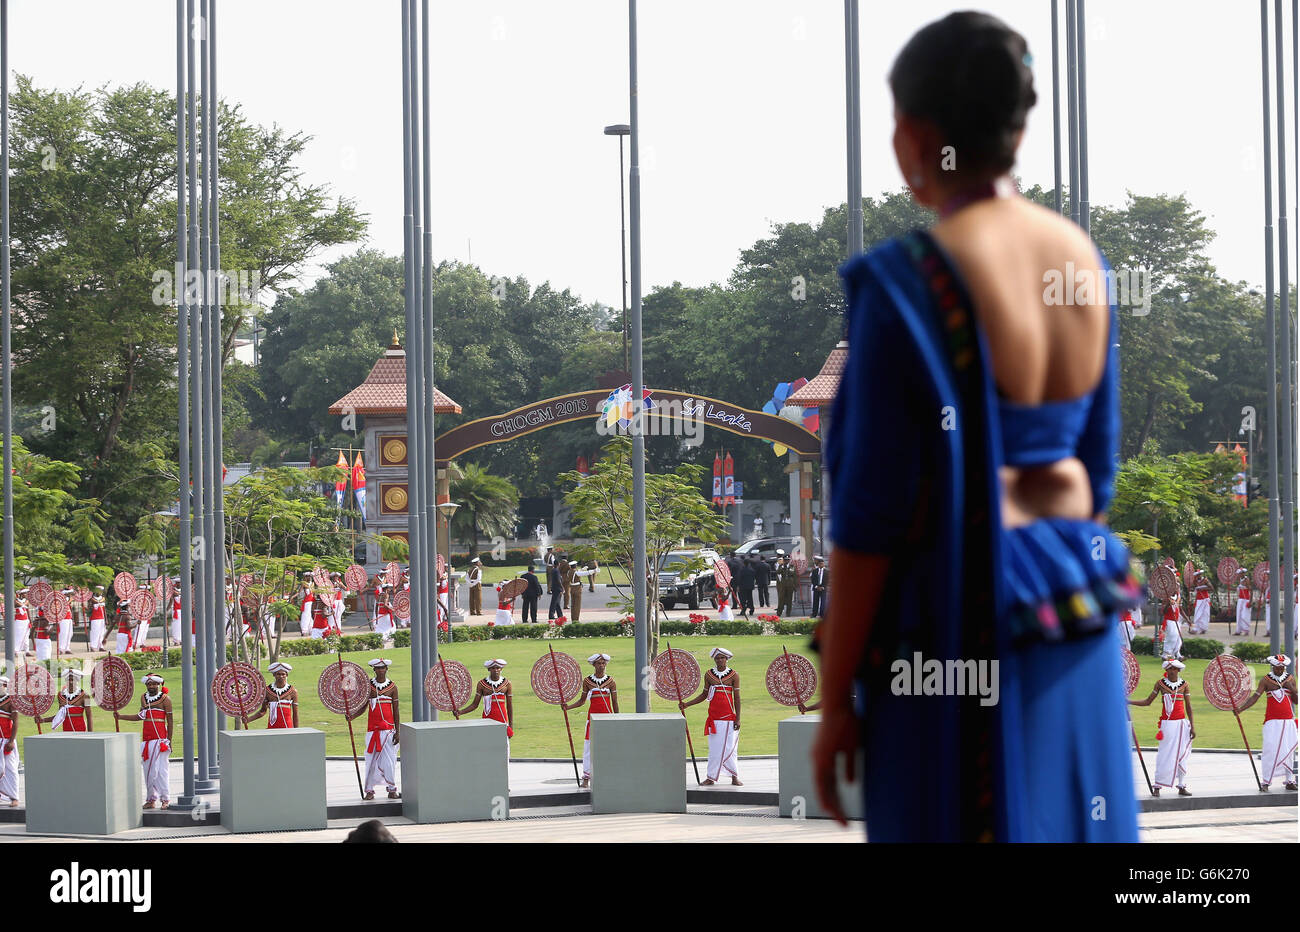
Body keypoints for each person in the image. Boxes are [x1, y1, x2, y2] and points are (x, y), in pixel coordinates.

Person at [813, 11, 1141, 842]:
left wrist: (837, 702)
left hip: (952, 630)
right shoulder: (1082, 262)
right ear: (1019, 124)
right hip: (1074, 613)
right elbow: (1092, 478)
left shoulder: (906, 283)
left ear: (916, 136)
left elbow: (869, 520)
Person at [1129, 659, 1195, 797]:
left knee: (1182, 755)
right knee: (1164, 755)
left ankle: (1181, 785)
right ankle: (1157, 786)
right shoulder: (1160, 684)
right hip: (1167, 725)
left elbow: (1189, 707)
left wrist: (1192, 726)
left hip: (1182, 725)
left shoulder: (1185, 685)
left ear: (1178, 670)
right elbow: (1147, 702)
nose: (1171, 671)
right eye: (1169, 669)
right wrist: (1129, 701)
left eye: (1174, 669)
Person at [679, 647, 742, 785]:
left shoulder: (734, 675)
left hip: (729, 718)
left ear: (727, 659)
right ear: (714, 659)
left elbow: (737, 698)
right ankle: (711, 777)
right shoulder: (709, 674)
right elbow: (704, 695)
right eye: (717, 658)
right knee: (714, 749)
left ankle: (734, 776)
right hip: (714, 718)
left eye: (722, 658)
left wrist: (738, 718)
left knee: (730, 748)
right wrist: (687, 704)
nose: (720, 660)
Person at [1238, 654, 1298, 791]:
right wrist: (1240, 709)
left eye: (1282, 668)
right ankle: (1266, 782)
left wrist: (1292, 688)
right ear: (1273, 666)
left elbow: (1296, 700)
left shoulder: (1290, 679)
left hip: (1288, 721)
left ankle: (1289, 781)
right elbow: (1255, 697)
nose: (1280, 670)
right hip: (1272, 721)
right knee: (1270, 750)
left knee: (1289, 751)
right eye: (1278, 668)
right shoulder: (1266, 680)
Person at [560, 653, 618, 787]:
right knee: (588, 748)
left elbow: (615, 702)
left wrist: (617, 718)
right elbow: (582, 701)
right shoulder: (587, 681)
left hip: (607, 719)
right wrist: (567, 707)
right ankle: (586, 777)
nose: (602, 666)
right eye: (599, 663)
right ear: (594, 665)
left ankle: (608, 775)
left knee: (608, 747)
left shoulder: (611, 682)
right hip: (592, 719)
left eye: (603, 663)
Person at [116, 674, 173, 809]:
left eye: (154, 684)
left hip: (160, 741)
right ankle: (151, 799)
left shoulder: (165, 699)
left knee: (160, 771)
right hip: (147, 741)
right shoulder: (143, 698)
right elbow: (140, 716)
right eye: (149, 684)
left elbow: (170, 721)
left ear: (159, 685)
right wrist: (120, 717)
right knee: (148, 771)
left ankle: (165, 799)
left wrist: (169, 741)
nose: (151, 686)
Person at [347, 659, 400, 800]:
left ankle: (391, 789)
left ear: (386, 669)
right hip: (372, 730)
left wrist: (398, 732)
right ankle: (369, 791)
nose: (380, 670)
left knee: (389, 761)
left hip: (388, 730)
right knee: (371, 761)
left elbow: (396, 711)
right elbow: (363, 707)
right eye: (377, 668)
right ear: (374, 670)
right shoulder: (368, 687)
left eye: (383, 668)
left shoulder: (393, 688)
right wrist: (352, 716)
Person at [461, 659, 514, 754]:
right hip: (488, 720)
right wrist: (460, 712)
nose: (496, 670)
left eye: (498, 668)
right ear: (489, 669)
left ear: (501, 668)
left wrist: (511, 726)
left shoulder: (507, 684)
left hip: (502, 721)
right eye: (493, 668)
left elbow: (509, 707)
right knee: (488, 747)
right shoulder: (482, 684)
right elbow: (474, 705)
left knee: (504, 749)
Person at [245, 662, 299, 729]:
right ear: (274, 675)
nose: (281, 676)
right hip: (272, 728)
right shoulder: (267, 691)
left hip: (287, 728)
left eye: (283, 674)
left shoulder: (293, 691)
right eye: (278, 674)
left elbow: (295, 714)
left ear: (287, 675)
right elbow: (262, 711)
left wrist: (297, 731)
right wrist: (248, 719)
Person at [0, 676, 18, 807]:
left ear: (5, 686)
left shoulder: (11, 702)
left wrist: (11, 741)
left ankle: (14, 797)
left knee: (10, 769)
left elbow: (16, 722)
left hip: (6, 740)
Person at [1159, 593, 1184, 659]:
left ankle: (1178, 655)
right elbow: (1163, 612)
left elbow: (1181, 610)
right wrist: (1168, 604)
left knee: (1178, 639)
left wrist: (1189, 621)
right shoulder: (1165, 599)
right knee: (1172, 638)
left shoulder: (1177, 598)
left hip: (1177, 622)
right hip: (1169, 622)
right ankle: (1165, 654)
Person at [1190, 570, 1212, 635]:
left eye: (1199, 574)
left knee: (1205, 614)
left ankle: (1203, 628)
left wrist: (1203, 588)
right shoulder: (1195, 581)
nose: (1198, 576)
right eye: (1197, 575)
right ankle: (1196, 628)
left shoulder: (1205, 580)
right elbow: (1192, 587)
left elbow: (1211, 588)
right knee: (1197, 614)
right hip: (1199, 599)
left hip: (1205, 599)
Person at [774, 551, 796, 617]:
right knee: (781, 599)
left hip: (790, 584)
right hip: (783, 584)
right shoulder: (781, 566)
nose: (787, 561)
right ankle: (779, 613)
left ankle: (788, 613)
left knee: (789, 599)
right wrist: (782, 567)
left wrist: (795, 585)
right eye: (785, 560)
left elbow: (794, 575)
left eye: (788, 560)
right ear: (783, 560)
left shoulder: (792, 566)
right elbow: (777, 572)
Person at [88, 586, 108, 652]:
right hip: (95, 618)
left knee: (102, 632)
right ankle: (93, 646)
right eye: (98, 591)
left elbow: (104, 610)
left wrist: (106, 619)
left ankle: (101, 646)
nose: (99, 592)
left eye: (100, 591)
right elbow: (89, 609)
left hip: (102, 618)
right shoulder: (92, 599)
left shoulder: (103, 598)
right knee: (95, 632)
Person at [1234, 568, 1253, 636]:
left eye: (1241, 573)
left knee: (1245, 615)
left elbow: (1251, 590)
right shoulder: (1239, 580)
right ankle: (1238, 630)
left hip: (1246, 599)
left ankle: (1246, 630)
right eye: (1239, 574)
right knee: (1239, 615)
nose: (1239, 575)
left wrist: (1250, 601)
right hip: (1240, 599)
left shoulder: (1246, 580)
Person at [57, 589, 75, 653]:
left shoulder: (67, 599)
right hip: (63, 618)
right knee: (63, 633)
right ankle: (61, 648)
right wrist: (70, 600)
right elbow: (63, 606)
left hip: (69, 618)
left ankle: (67, 648)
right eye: (69, 593)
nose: (70, 594)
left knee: (70, 633)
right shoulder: (61, 599)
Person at [12, 590, 29, 655]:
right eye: (24, 593)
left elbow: (27, 610)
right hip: (19, 620)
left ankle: (27, 651)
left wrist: (30, 620)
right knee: (18, 635)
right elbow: (17, 604)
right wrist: (23, 604)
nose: (26, 594)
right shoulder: (16, 600)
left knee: (26, 635)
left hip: (26, 620)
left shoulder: (26, 600)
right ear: (21, 594)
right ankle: (16, 650)